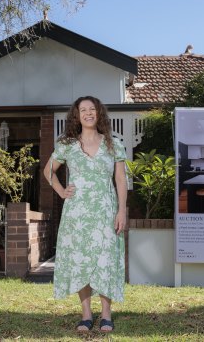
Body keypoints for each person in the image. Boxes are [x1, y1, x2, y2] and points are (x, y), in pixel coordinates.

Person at [44, 96, 127, 333]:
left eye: (92, 109)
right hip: (77, 213)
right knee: (80, 259)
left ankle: (107, 315)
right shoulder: (67, 145)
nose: (88, 113)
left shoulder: (113, 144)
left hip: (106, 210)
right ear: (77, 116)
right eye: (83, 110)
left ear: (99, 113)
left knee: (106, 259)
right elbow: (48, 171)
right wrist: (61, 191)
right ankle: (86, 315)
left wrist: (121, 210)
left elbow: (121, 180)